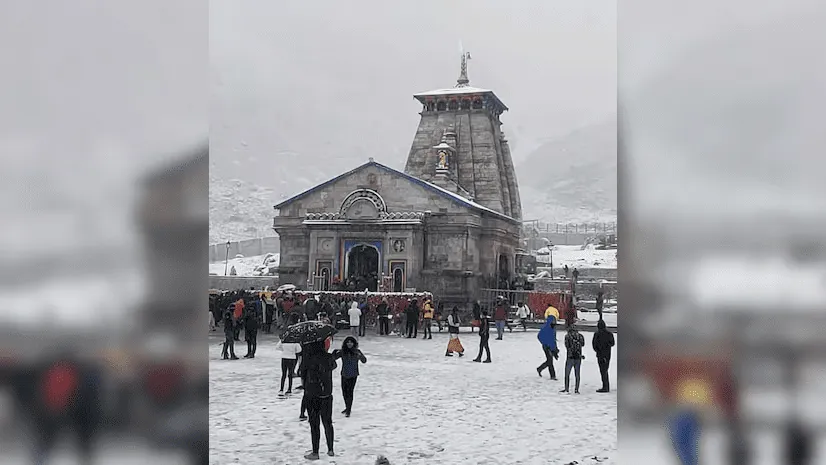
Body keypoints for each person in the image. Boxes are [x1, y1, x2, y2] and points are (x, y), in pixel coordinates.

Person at [298, 338, 337, 460]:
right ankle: (330, 449)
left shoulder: (308, 358)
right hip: (326, 393)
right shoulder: (328, 357)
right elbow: (334, 366)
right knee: (328, 422)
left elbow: (301, 373)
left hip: (312, 394)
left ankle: (315, 452)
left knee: (314, 424)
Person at [332, 336, 367, 417]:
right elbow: (333, 358)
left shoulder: (357, 351)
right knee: (344, 392)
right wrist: (334, 352)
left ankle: (348, 409)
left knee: (350, 392)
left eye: (351, 342)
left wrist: (360, 356)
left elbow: (364, 361)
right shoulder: (343, 351)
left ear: (354, 343)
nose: (349, 344)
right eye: (348, 342)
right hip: (344, 373)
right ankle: (347, 406)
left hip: (353, 374)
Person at [560, 323, 585, 394]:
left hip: (570, 357)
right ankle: (576, 389)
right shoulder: (580, 336)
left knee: (567, 373)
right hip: (578, 357)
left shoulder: (567, 336)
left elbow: (567, 345)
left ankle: (566, 388)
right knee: (577, 374)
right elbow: (583, 344)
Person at [592, 319, 615, 392]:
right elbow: (612, 343)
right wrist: (607, 346)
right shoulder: (609, 334)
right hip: (608, 354)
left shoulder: (597, 334)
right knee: (605, 369)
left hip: (600, 354)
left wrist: (598, 350)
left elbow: (594, 345)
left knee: (602, 370)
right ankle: (606, 385)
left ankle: (605, 386)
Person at [536, 314, 558, 379]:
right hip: (546, 347)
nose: (554, 322)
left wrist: (555, 348)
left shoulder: (553, 329)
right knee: (550, 361)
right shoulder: (545, 328)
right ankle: (552, 375)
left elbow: (553, 339)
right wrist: (544, 343)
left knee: (549, 361)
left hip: (551, 347)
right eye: (553, 321)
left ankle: (540, 368)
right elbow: (539, 336)